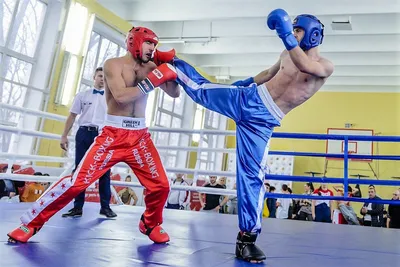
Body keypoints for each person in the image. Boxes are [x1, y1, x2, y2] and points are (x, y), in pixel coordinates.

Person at [155, 9, 334, 263]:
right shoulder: (286, 52)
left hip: (264, 121)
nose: (293, 34)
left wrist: (284, 32)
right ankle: (170, 63)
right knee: (202, 90)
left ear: (314, 35)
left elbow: (306, 65)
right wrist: (243, 82)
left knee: (252, 177)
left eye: (298, 30)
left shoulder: (324, 65)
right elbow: (268, 75)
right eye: (292, 29)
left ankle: (246, 240)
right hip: (248, 97)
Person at [7, 26, 180, 244]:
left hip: (139, 136)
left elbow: (174, 93)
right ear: (134, 42)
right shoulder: (113, 65)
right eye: (149, 43)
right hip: (113, 135)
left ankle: (150, 223)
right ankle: (30, 224)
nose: (152, 48)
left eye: (155, 45)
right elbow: (121, 96)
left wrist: (167, 68)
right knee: (77, 183)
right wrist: (153, 80)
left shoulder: (153, 67)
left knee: (162, 185)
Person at [60, 66, 117, 218]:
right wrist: (64, 135)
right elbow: (72, 116)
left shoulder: (112, 98)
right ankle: (77, 207)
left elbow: (117, 118)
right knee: (80, 170)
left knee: (104, 170)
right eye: (100, 76)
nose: (102, 80)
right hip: (84, 133)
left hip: (103, 136)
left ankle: (105, 207)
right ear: (94, 77)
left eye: (105, 77)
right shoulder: (82, 95)